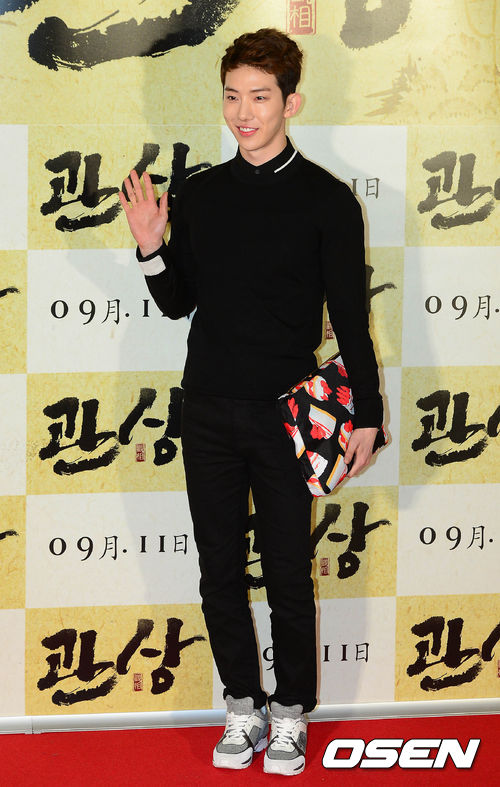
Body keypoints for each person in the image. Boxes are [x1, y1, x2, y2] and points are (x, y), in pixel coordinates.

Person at [119, 27, 383, 776]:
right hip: (206, 411)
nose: (243, 112)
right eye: (232, 96)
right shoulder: (201, 194)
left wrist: (368, 414)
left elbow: (351, 319)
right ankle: (243, 704)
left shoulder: (328, 202)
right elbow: (178, 303)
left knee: (289, 573)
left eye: (260, 97)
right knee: (220, 572)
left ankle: (291, 712)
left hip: (285, 416)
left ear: (290, 102)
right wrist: (151, 247)